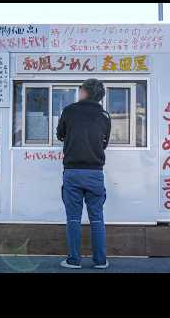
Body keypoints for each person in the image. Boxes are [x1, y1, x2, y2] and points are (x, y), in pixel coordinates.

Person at [56, 78, 111, 269]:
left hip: (72, 172)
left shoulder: (69, 111)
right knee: (97, 217)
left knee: (73, 218)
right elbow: (104, 142)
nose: (79, 93)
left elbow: (60, 134)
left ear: (85, 92)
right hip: (95, 173)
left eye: (80, 90)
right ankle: (100, 261)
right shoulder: (105, 115)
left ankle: (73, 260)